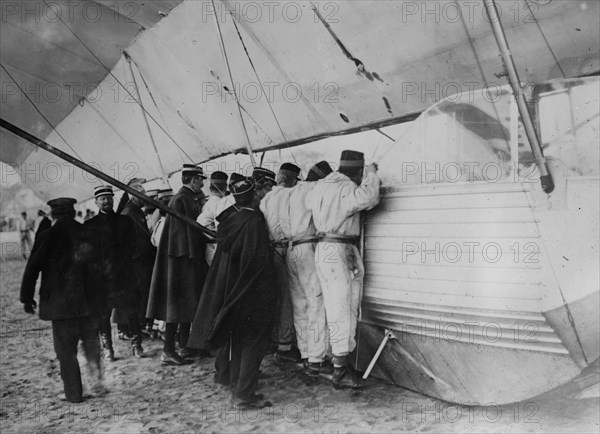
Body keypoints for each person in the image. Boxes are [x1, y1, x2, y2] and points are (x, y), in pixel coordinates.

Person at [188, 178, 278, 409]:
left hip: (231, 291)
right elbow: (256, 262)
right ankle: (244, 395)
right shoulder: (254, 222)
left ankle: (237, 387)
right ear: (255, 196)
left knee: (237, 340)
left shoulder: (229, 221)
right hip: (251, 293)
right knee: (252, 341)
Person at [305, 150, 380, 389]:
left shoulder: (319, 187)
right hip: (340, 250)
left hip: (322, 248)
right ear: (357, 171)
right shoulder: (346, 189)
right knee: (344, 306)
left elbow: (309, 204)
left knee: (328, 306)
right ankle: (340, 370)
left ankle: (324, 358)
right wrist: (372, 174)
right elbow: (370, 197)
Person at [20, 198, 105, 403]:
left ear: (53, 215)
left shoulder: (47, 235)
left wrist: (27, 297)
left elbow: (33, 267)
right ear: (73, 211)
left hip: (61, 304)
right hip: (88, 302)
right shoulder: (87, 232)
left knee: (66, 350)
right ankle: (98, 382)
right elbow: (101, 267)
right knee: (91, 342)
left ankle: (74, 393)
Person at [146, 164, 208, 365]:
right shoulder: (181, 199)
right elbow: (182, 233)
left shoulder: (186, 198)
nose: (202, 183)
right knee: (175, 306)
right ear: (193, 179)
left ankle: (183, 346)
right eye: (200, 179)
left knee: (185, 304)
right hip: (180, 261)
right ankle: (169, 350)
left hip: (184, 258)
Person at [285, 161, 334, 376]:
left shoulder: (290, 192)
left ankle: (305, 354)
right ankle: (317, 360)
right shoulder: (316, 189)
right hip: (308, 247)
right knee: (316, 304)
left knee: (299, 305)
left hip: (290, 248)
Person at [85, 185, 143, 360]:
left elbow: (133, 245)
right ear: (96, 202)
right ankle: (108, 348)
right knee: (104, 314)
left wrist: (122, 262)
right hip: (102, 279)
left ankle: (136, 345)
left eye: (109, 198)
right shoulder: (90, 226)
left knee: (132, 311)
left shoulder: (124, 221)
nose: (106, 201)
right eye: (102, 198)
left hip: (124, 275)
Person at [259, 163, 302, 363]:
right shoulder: (290, 195)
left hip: (269, 249)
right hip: (284, 249)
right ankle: (285, 346)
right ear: (293, 180)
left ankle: (274, 339)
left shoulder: (266, 198)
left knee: (273, 297)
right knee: (287, 298)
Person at [112, 178, 157, 338]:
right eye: (142, 194)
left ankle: (133, 327)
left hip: (137, 259)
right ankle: (129, 328)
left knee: (137, 294)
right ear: (133, 196)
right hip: (134, 260)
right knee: (133, 294)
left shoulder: (134, 211)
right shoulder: (129, 212)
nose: (145, 197)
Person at [197, 171, 228, 266]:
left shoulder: (206, 204)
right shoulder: (222, 204)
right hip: (219, 249)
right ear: (226, 187)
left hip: (209, 249)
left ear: (210, 188)